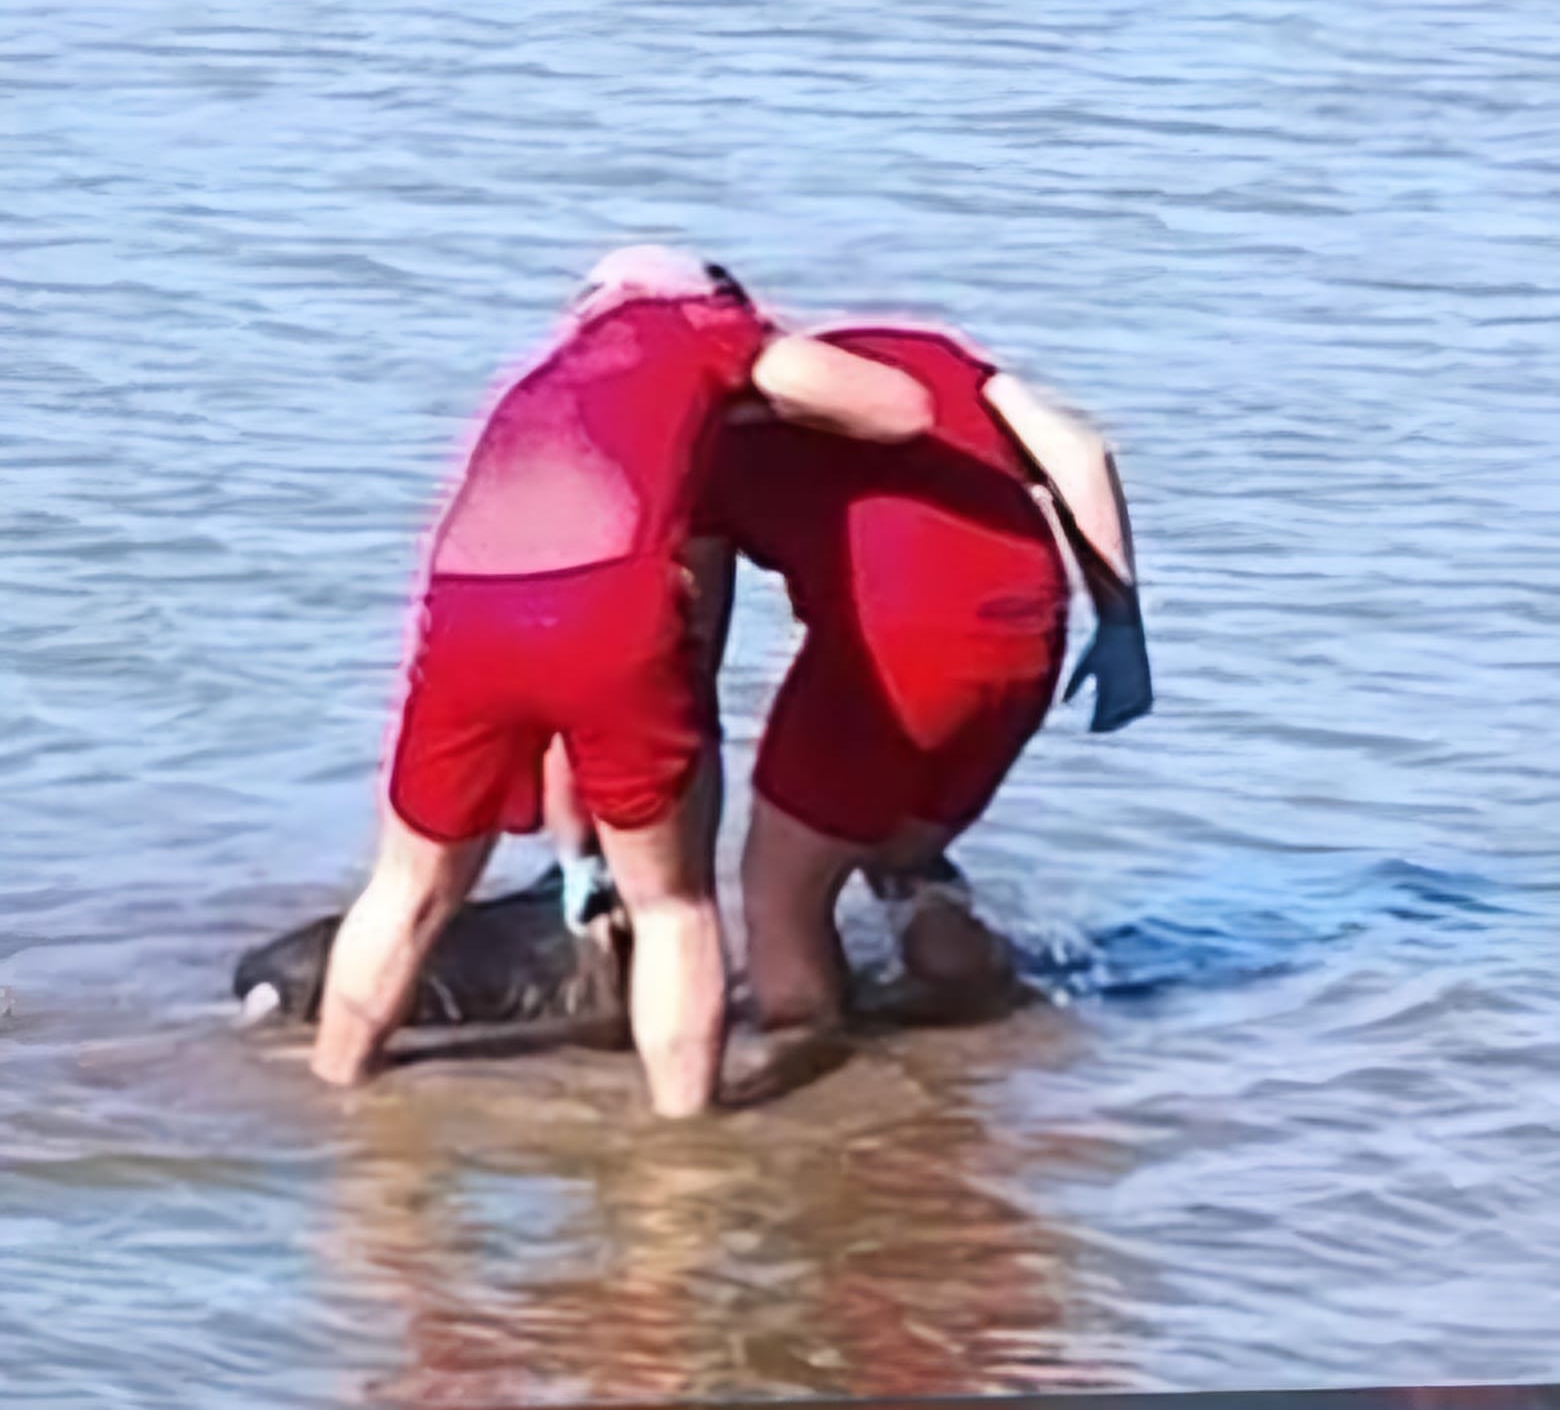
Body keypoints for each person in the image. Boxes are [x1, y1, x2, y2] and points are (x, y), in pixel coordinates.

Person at [308, 246, 935, 1118]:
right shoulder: (698, 327)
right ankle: (681, 1148)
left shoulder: (545, 370)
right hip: (606, 606)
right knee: (674, 907)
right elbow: (901, 408)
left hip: (463, 605)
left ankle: (334, 1096)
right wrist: (763, 387)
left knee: (408, 886)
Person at [686, 319, 1153, 1031]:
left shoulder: (697, 441)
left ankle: (803, 1078)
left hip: (895, 644)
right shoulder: (917, 353)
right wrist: (1120, 624)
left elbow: (694, 643)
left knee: (781, 896)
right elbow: (1081, 454)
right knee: (897, 850)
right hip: (1027, 626)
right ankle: (980, 1006)